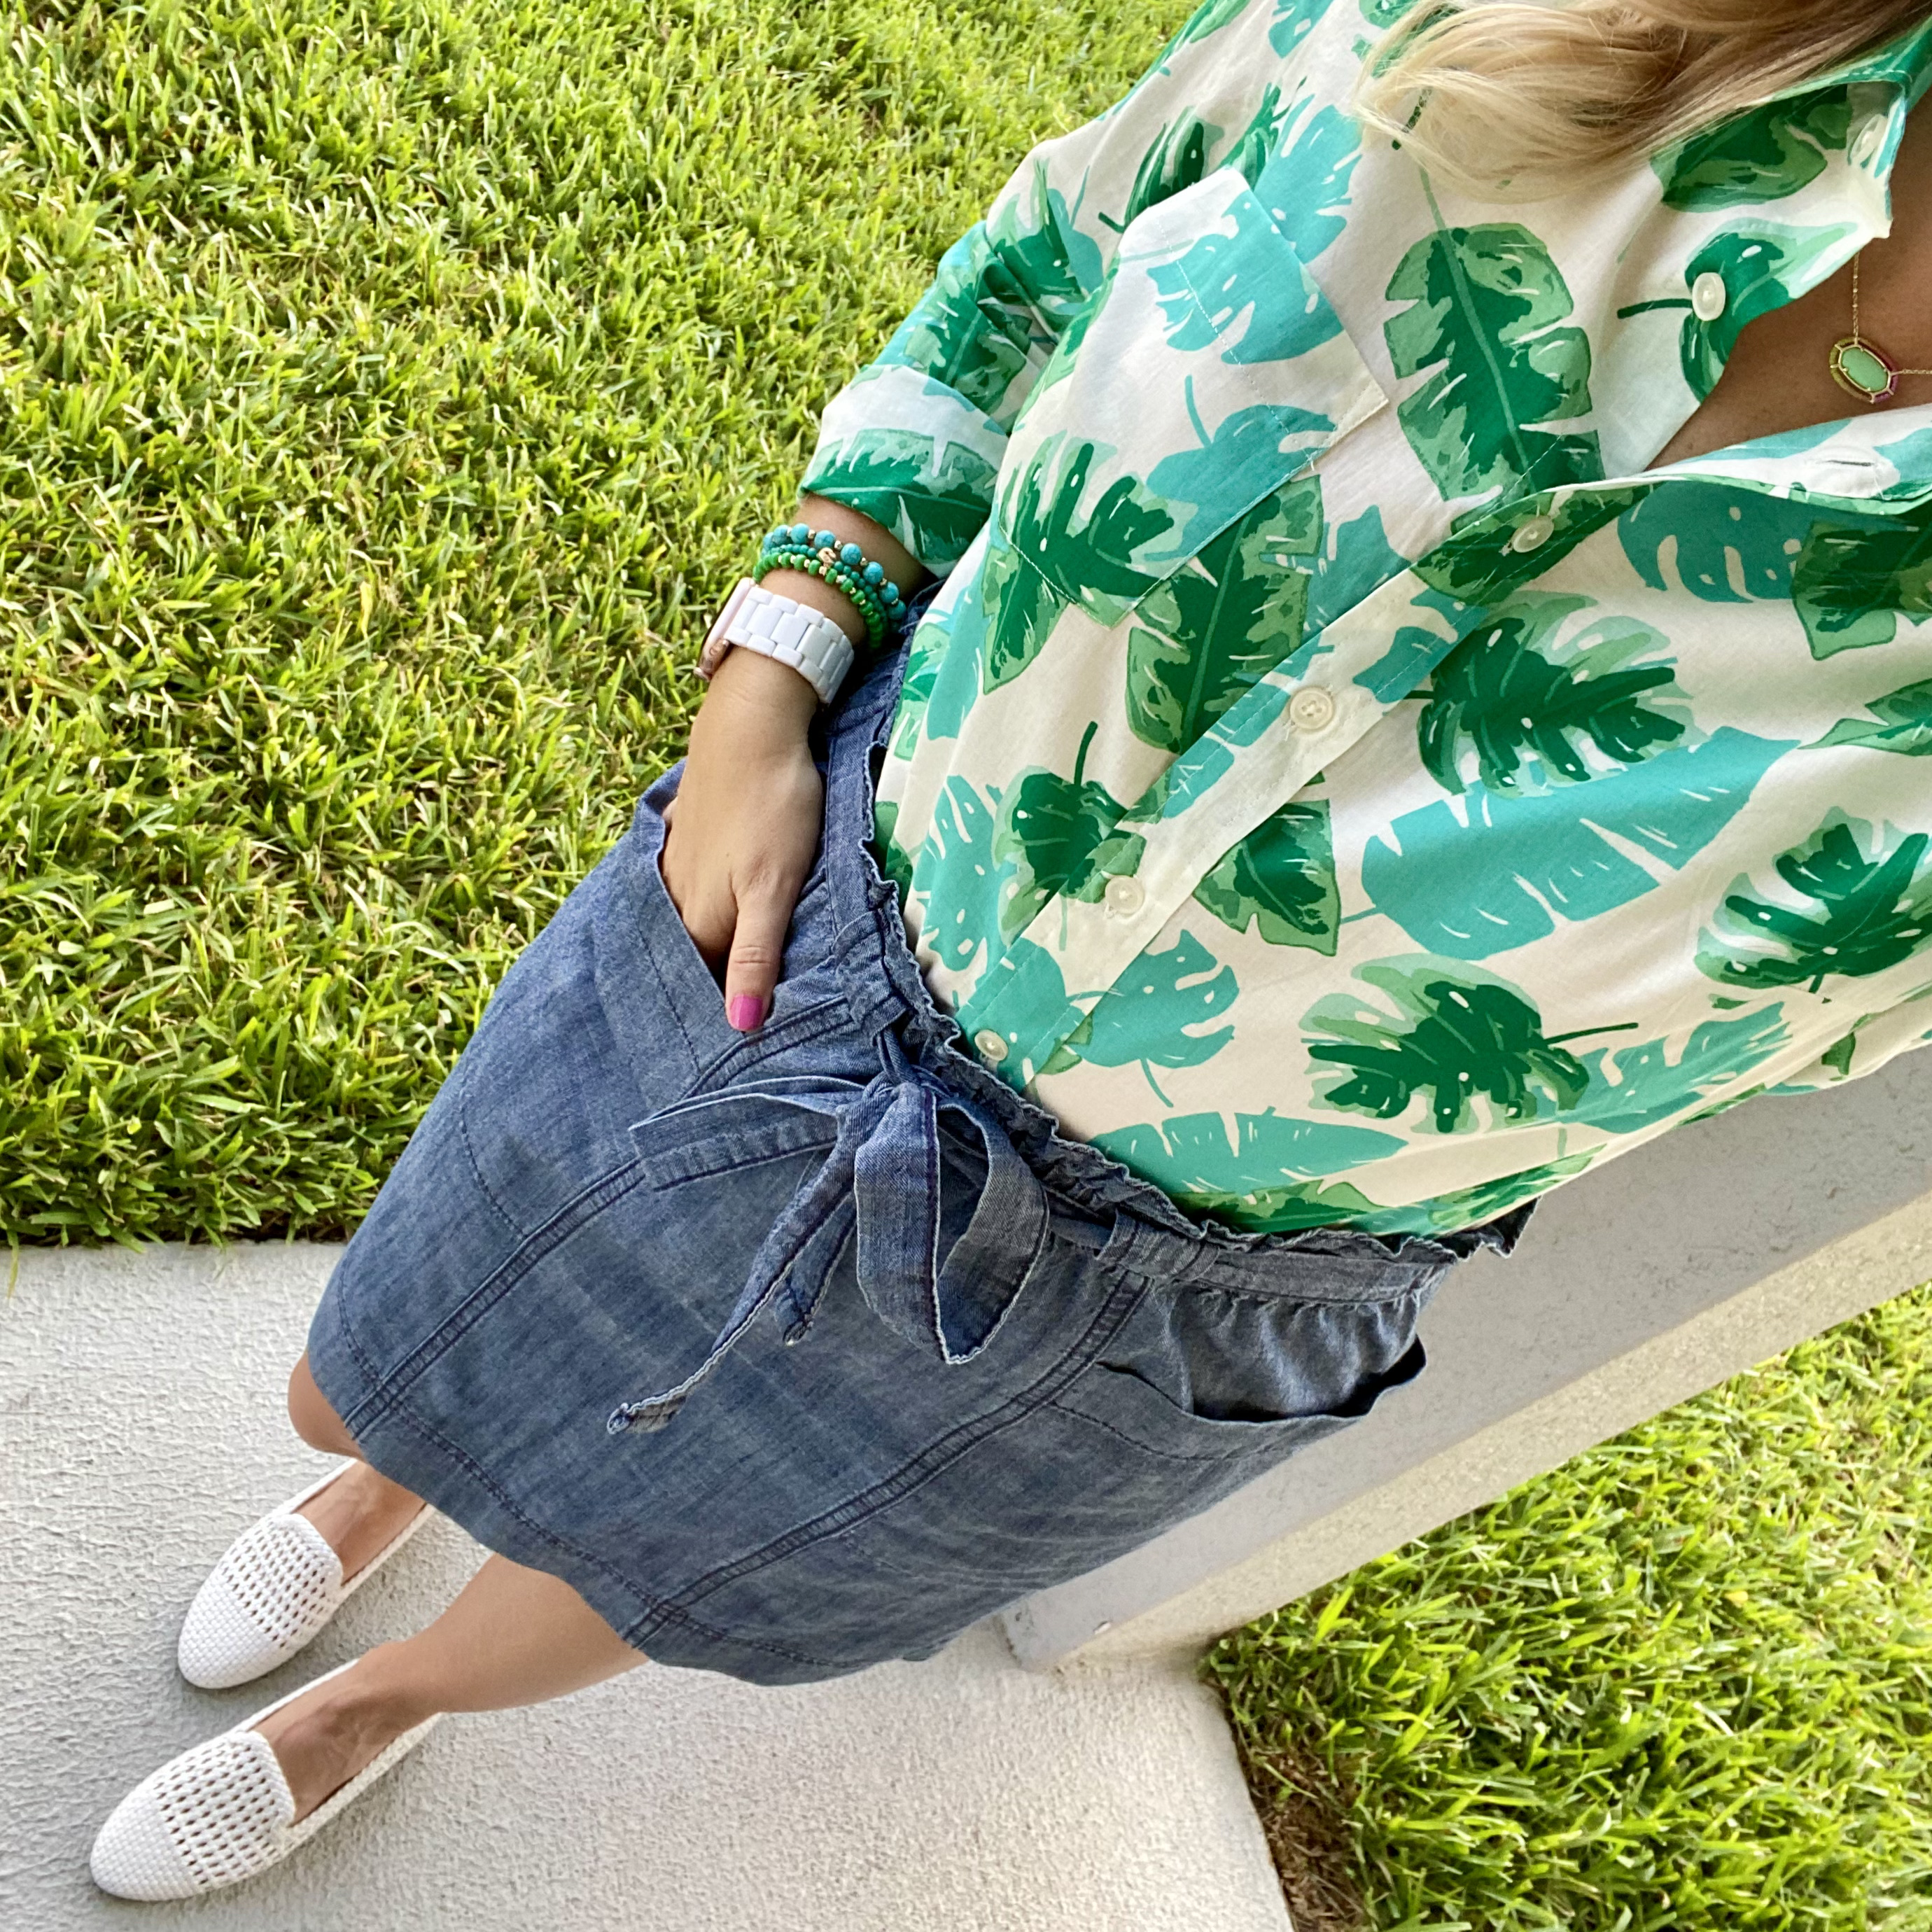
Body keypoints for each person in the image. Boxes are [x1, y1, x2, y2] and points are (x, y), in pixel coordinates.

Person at [90, 0, 1932, 1897]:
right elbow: (1066, 243)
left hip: (1176, 1296)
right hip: (802, 938)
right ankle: (381, 1479)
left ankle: (375, 1704)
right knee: (379, 1371)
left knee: (675, 1568)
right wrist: (780, 652)